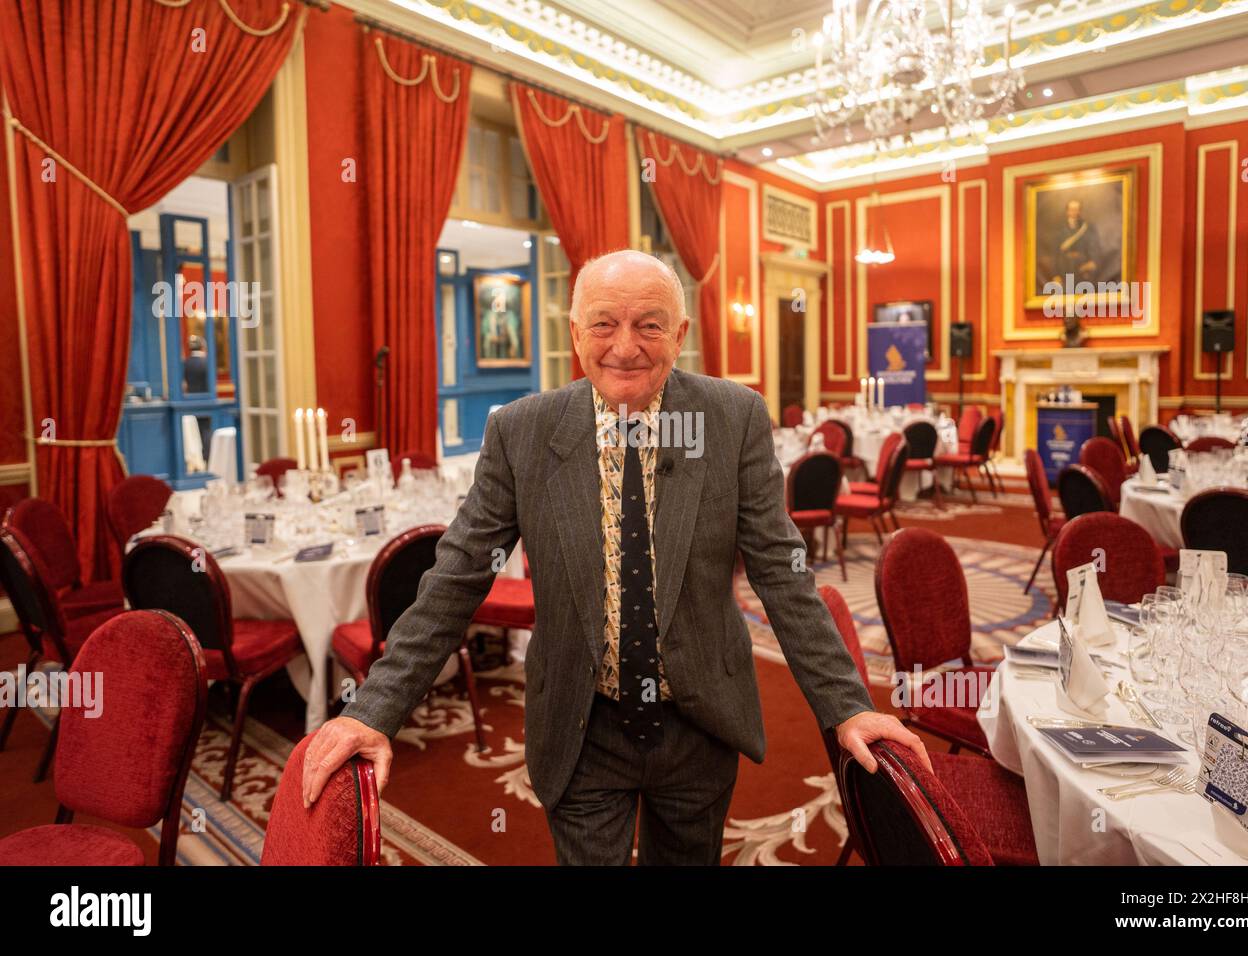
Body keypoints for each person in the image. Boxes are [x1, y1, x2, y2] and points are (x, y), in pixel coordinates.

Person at [302, 249, 929, 864]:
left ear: (679, 334)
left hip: (701, 719)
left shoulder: (732, 417)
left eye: (649, 324)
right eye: (603, 323)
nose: (624, 346)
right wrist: (374, 710)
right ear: (575, 333)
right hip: (580, 724)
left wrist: (848, 704)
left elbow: (781, 570)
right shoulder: (521, 431)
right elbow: (458, 576)